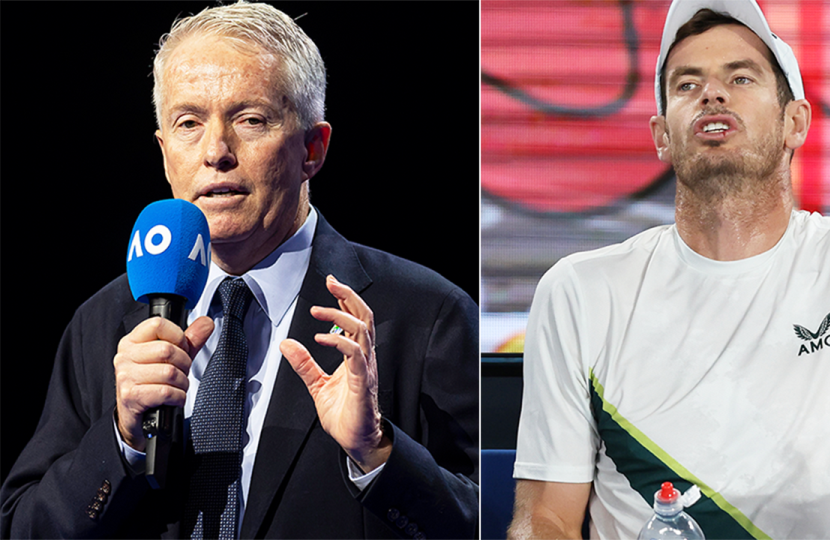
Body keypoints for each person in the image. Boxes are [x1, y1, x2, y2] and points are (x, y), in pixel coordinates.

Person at [0, 2, 478, 538]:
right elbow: (24, 527)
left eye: (250, 120)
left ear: (312, 150)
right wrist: (121, 440)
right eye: (189, 123)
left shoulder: (426, 316)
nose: (216, 152)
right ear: (164, 152)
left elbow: (488, 521)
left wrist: (377, 454)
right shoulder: (106, 322)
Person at [508, 0, 830, 538]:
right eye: (686, 85)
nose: (711, 94)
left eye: (740, 78)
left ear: (795, 122)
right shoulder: (578, 289)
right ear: (661, 135)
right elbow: (545, 519)